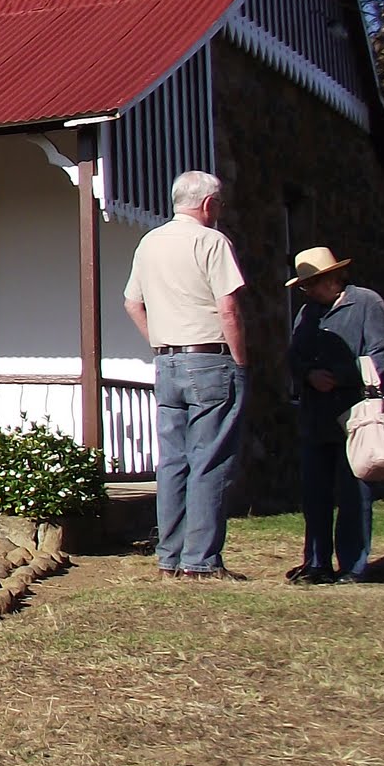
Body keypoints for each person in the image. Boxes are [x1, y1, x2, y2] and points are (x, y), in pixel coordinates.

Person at [125, 170, 250, 580]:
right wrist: (240, 361)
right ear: (209, 204)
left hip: (167, 361)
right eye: (220, 204)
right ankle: (200, 560)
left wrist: (160, 343)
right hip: (209, 358)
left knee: (173, 462)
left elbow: (132, 303)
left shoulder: (149, 242)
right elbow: (228, 308)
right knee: (209, 459)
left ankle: (170, 558)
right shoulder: (212, 241)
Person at [283, 246, 384, 584]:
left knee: (354, 492)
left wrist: (343, 376)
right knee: (314, 493)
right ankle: (316, 562)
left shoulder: (366, 303)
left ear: (333, 278)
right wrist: (308, 375)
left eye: (312, 283)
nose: (308, 291)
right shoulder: (307, 313)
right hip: (315, 415)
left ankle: (352, 565)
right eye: (304, 286)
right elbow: (294, 355)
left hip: (355, 413)